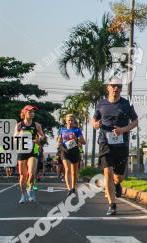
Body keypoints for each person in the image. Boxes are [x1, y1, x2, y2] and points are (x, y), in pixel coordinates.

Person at [91, 76, 138, 216]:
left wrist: (123, 130)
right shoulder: (101, 104)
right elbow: (94, 120)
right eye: (113, 86)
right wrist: (95, 124)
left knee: (118, 177)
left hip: (121, 144)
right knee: (108, 172)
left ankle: (117, 184)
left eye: (118, 86)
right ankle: (112, 204)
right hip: (105, 143)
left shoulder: (126, 104)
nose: (116, 88)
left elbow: (135, 121)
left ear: (121, 89)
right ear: (108, 87)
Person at [16, 105, 45, 204]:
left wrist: (39, 139)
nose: (32, 113)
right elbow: (14, 136)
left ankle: (30, 189)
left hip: (33, 150)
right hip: (22, 150)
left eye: (33, 112)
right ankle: (23, 195)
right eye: (30, 112)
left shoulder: (37, 125)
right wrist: (20, 135)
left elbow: (42, 135)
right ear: (24, 113)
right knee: (22, 175)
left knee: (32, 173)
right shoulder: (19, 125)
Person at [57, 113, 86, 195]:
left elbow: (83, 142)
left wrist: (75, 138)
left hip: (75, 151)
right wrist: (59, 142)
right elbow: (59, 140)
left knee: (74, 172)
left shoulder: (77, 130)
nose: (70, 121)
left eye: (72, 120)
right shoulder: (62, 129)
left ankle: (73, 187)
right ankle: (69, 188)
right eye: (69, 120)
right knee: (67, 170)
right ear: (66, 121)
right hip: (65, 151)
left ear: (74, 121)